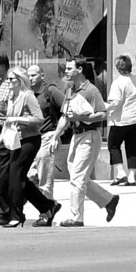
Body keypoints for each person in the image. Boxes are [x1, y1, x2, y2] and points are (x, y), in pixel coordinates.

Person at [0, 53, 60, 228]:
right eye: (8, 80)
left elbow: (38, 119)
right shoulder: (11, 98)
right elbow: (9, 127)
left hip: (30, 140)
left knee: (15, 176)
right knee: (14, 176)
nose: (9, 83)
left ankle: (16, 215)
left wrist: (19, 120)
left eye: (12, 80)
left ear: (20, 81)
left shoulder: (27, 96)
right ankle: (47, 205)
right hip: (14, 139)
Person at [51, 56, 118, 227]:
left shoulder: (91, 91)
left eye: (68, 68)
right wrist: (55, 136)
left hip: (89, 136)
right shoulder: (70, 90)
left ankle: (76, 217)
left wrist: (81, 117)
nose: (65, 71)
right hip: (76, 135)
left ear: (79, 70)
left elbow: (102, 114)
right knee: (78, 177)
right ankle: (108, 200)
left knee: (78, 178)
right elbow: (66, 116)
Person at [105, 54, 136, 186]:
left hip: (122, 120)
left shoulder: (118, 82)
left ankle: (120, 172)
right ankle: (132, 177)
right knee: (133, 145)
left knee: (113, 144)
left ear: (118, 68)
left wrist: (103, 106)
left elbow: (115, 102)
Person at [26, 64, 65, 204]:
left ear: (42, 76)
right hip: (32, 138)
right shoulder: (27, 94)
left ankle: (47, 210)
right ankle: (45, 206)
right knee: (30, 176)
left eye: (34, 75)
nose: (30, 78)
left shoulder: (51, 91)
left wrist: (57, 134)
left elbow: (67, 110)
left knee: (44, 177)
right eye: (28, 75)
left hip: (48, 136)